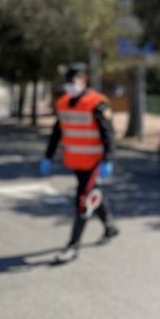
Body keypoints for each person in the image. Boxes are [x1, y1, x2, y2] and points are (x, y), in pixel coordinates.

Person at [40, 63, 119, 264]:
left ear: (83, 81)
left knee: (83, 201)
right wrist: (48, 156)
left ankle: (72, 246)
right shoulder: (64, 102)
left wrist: (108, 160)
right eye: (67, 82)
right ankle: (110, 226)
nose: (70, 86)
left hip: (94, 163)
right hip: (76, 162)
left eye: (73, 82)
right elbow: (57, 132)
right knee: (93, 195)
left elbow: (108, 134)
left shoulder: (97, 103)